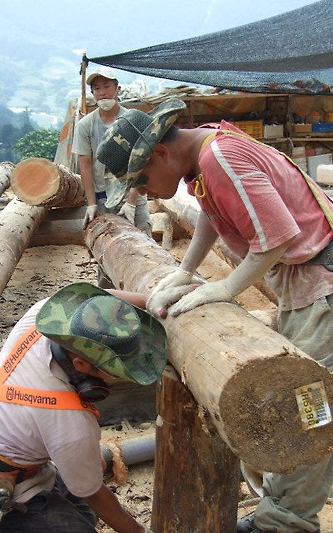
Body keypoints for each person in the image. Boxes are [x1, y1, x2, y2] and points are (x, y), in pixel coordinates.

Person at [96, 97, 333, 533]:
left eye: (142, 180)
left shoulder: (219, 156)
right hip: (307, 287)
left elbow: (277, 237)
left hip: (322, 291)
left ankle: (285, 524)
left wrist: (224, 287)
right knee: (306, 405)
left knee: (306, 411)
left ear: (161, 152)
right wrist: (186, 269)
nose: (142, 192)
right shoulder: (206, 153)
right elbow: (213, 210)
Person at [0, 282, 167, 533]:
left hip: (1, 452)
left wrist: (152, 300)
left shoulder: (41, 315)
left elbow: (101, 300)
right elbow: (95, 495)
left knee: (84, 510)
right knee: (83, 523)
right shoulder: (71, 421)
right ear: (80, 365)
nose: (115, 378)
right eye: (113, 371)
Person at [72, 66, 152, 236]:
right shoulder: (85, 125)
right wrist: (92, 203)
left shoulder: (133, 120)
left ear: (118, 89)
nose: (102, 92)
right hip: (103, 196)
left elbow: (142, 161)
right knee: (108, 244)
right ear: (92, 94)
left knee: (144, 238)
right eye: (97, 88)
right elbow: (85, 165)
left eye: (106, 86)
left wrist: (131, 202)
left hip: (132, 193)